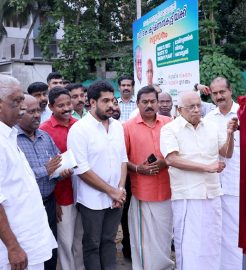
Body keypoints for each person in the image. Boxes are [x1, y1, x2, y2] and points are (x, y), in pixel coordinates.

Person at [160, 91, 238, 270]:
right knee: (189, 245)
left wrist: (230, 134)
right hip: (187, 196)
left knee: (211, 243)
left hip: (212, 194)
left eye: (198, 105)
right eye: (191, 107)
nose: (196, 110)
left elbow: (227, 153)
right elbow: (171, 159)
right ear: (180, 110)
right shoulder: (170, 129)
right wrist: (207, 168)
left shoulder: (210, 126)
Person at [67, 80, 127, 270]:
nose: (111, 105)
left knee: (110, 241)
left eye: (113, 100)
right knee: (93, 244)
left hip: (116, 198)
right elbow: (81, 170)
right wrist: (112, 191)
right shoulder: (79, 129)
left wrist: (120, 189)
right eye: (105, 101)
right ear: (92, 102)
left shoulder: (117, 126)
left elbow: (123, 160)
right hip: (91, 200)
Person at [0, 74, 57, 270]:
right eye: (16, 102)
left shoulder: (9, 135)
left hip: (30, 240)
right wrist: (13, 247)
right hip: (15, 247)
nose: (22, 108)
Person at [16, 94, 73, 270]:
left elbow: (57, 163)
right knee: (31, 254)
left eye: (38, 111)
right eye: (30, 111)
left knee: (50, 249)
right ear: (19, 112)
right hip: (25, 208)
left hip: (48, 202)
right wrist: (45, 170)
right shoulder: (11, 141)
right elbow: (17, 178)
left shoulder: (45, 137)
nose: (36, 115)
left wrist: (61, 172)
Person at [124, 86, 173, 270]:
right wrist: (138, 168)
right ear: (138, 104)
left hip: (168, 189)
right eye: (145, 102)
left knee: (164, 236)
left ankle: (164, 266)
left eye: (153, 101)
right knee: (144, 240)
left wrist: (165, 162)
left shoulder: (169, 123)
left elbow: (178, 152)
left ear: (158, 103)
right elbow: (122, 160)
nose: (149, 105)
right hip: (142, 192)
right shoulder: (127, 127)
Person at [40, 87, 84, 270]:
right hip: (62, 194)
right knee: (65, 241)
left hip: (83, 191)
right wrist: (55, 200)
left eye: (68, 104)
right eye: (61, 105)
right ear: (51, 107)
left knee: (80, 238)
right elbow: (47, 168)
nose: (67, 108)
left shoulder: (79, 124)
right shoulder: (44, 131)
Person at [205, 77, 245, 270]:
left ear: (230, 91)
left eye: (222, 92)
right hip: (214, 183)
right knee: (216, 230)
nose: (219, 96)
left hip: (237, 182)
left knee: (236, 231)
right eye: (215, 93)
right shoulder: (209, 119)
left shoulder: (244, 114)